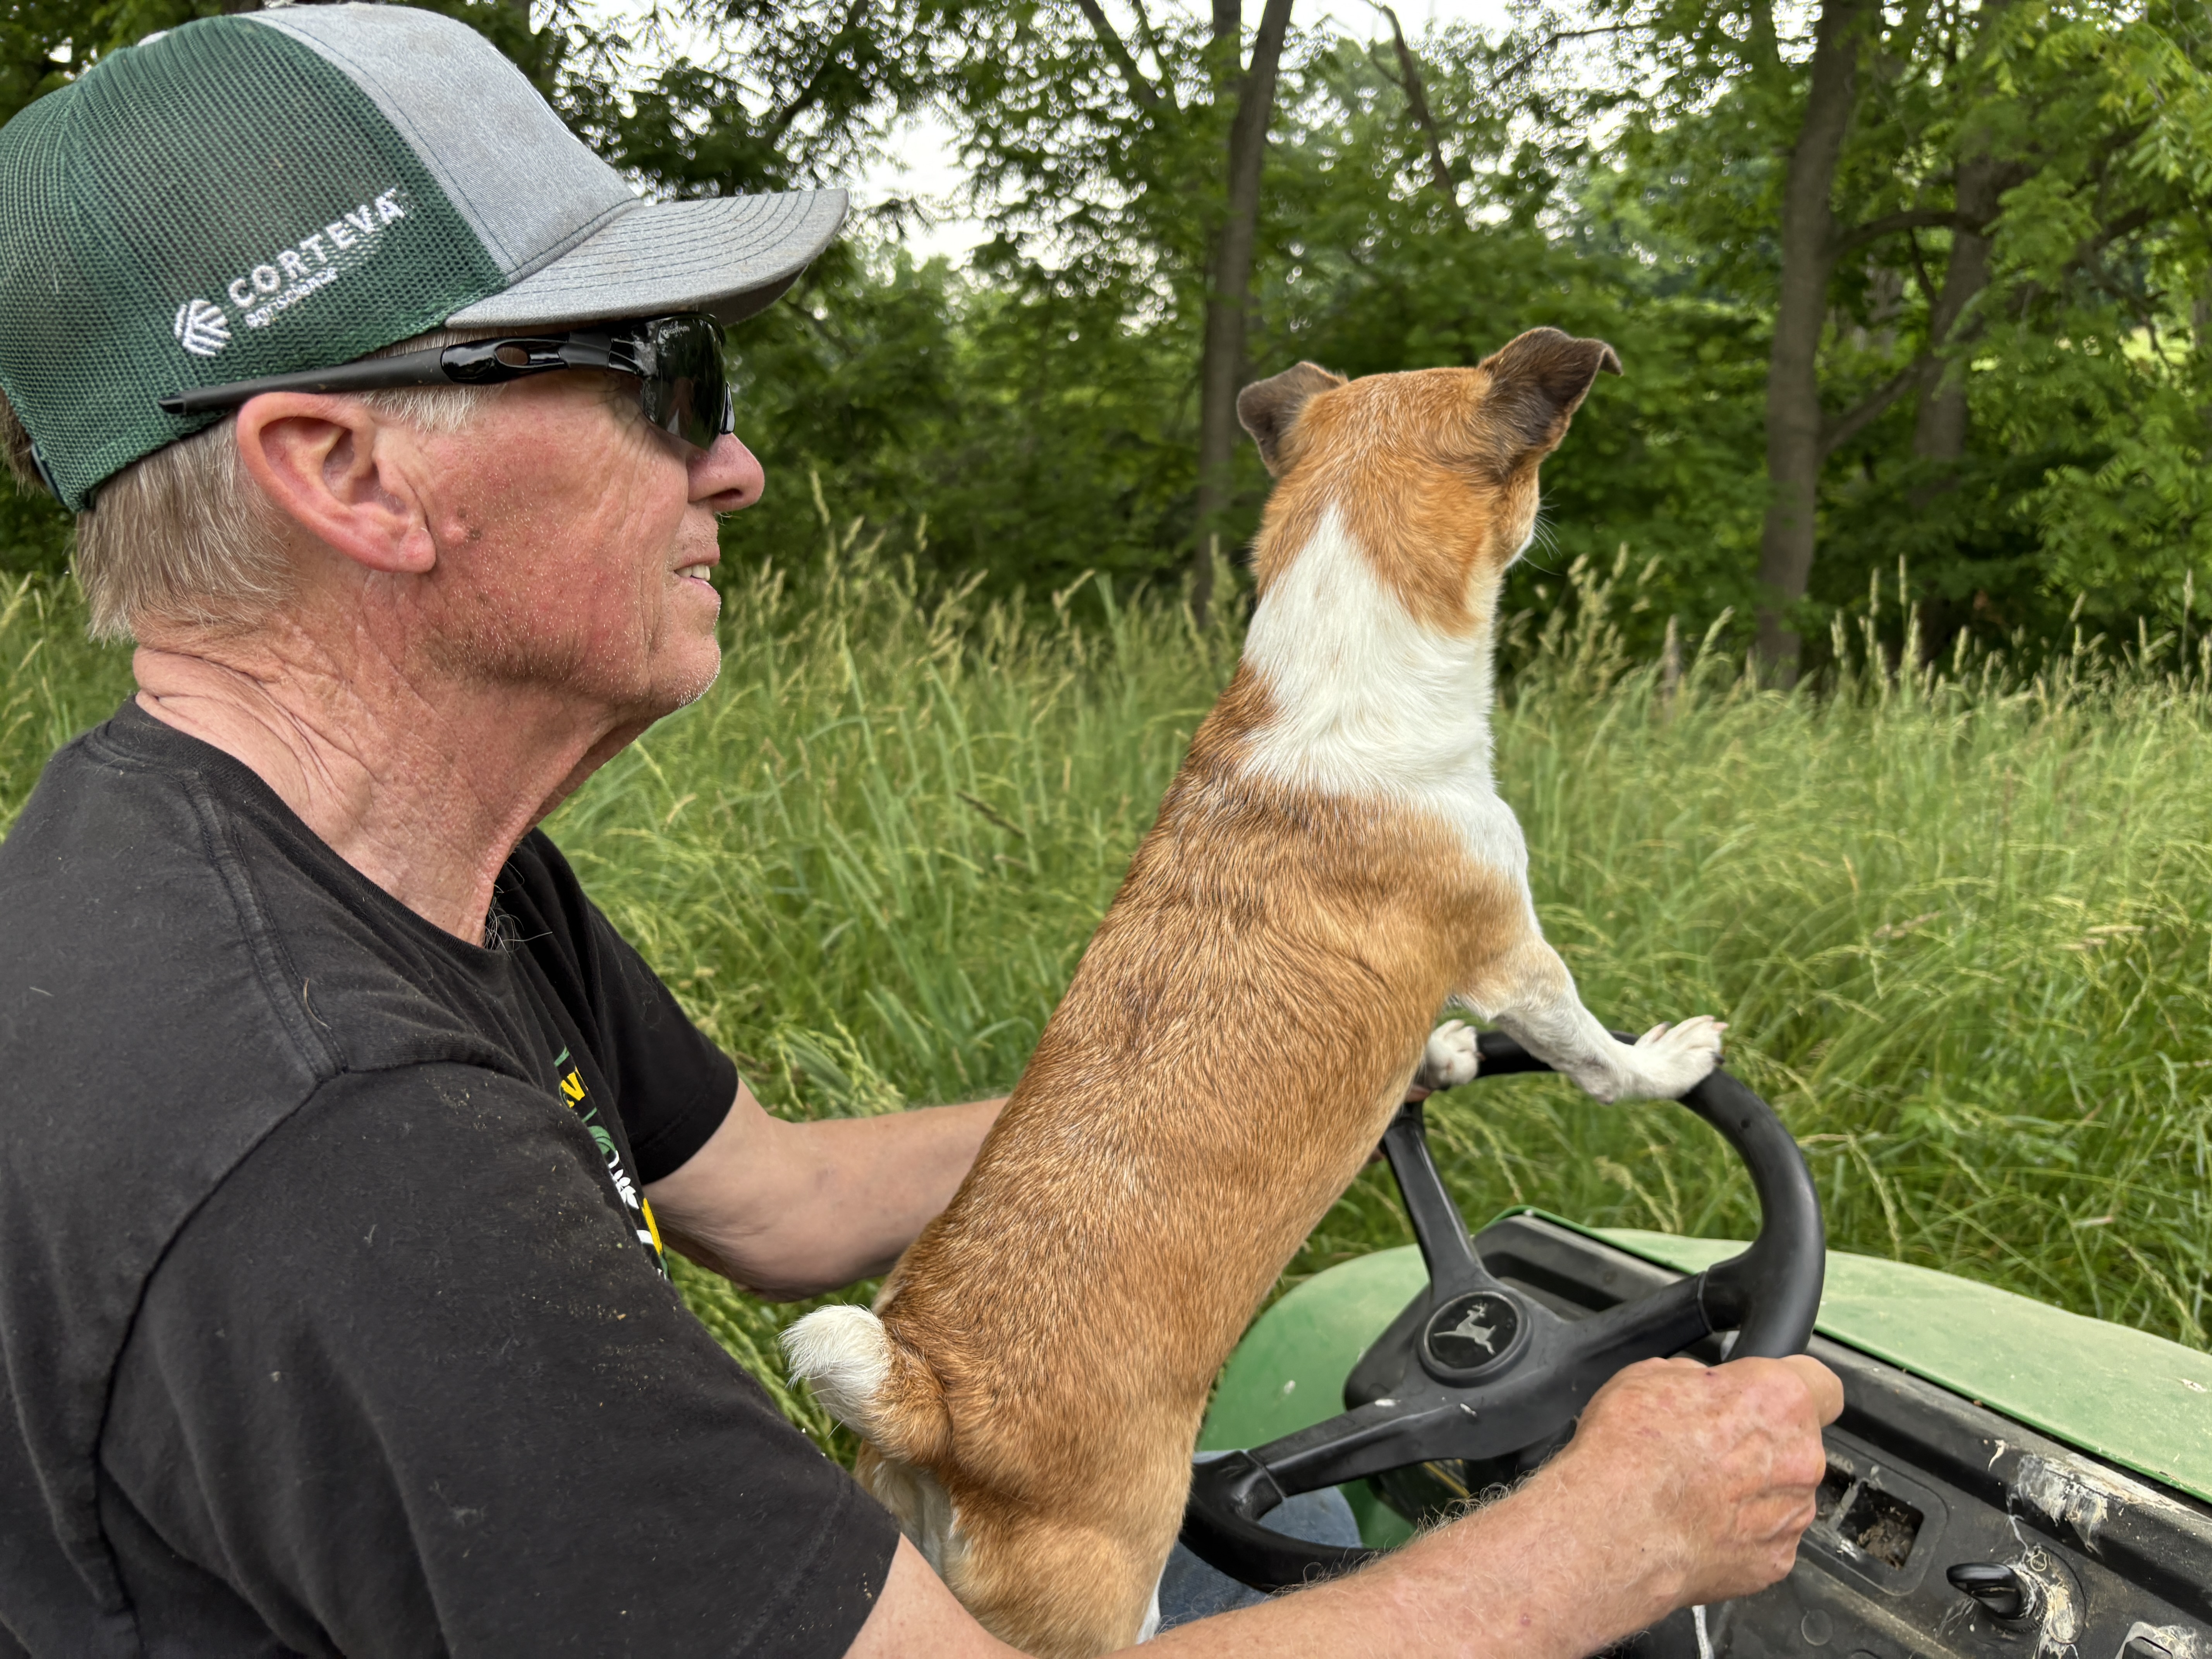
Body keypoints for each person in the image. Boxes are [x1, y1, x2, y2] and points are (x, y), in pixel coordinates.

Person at [0, 7, 1841, 1655]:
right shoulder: (342, 1158)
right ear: (345, 472)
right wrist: (1612, 1538)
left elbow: (784, 1206)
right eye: (660, 380)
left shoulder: (366, 876)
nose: (737, 465)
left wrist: (1264, 1099)